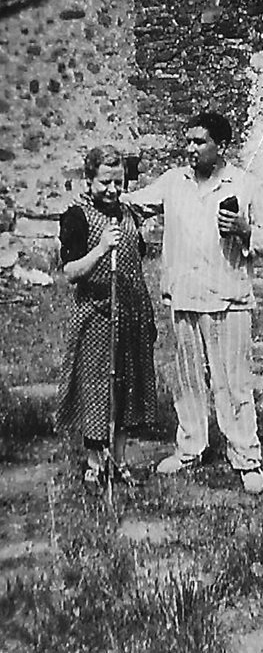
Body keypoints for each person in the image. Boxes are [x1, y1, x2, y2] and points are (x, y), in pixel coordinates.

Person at [124, 111, 263, 494]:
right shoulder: (173, 182)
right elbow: (132, 204)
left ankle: (246, 458)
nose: (190, 148)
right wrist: (99, 195)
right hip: (185, 296)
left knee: (234, 384)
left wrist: (246, 230)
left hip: (229, 299)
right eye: (188, 141)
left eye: (199, 142)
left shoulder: (245, 185)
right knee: (189, 381)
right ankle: (190, 449)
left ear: (220, 146)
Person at [57, 146, 157, 486]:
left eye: (119, 182)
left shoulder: (128, 214)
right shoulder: (77, 216)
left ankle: (120, 458)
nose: (113, 190)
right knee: (97, 387)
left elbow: (136, 260)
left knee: (126, 387)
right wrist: (100, 249)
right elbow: (70, 272)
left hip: (130, 311)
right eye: (105, 183)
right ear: (89, 180)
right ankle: (95, 462)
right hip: (96, 314)